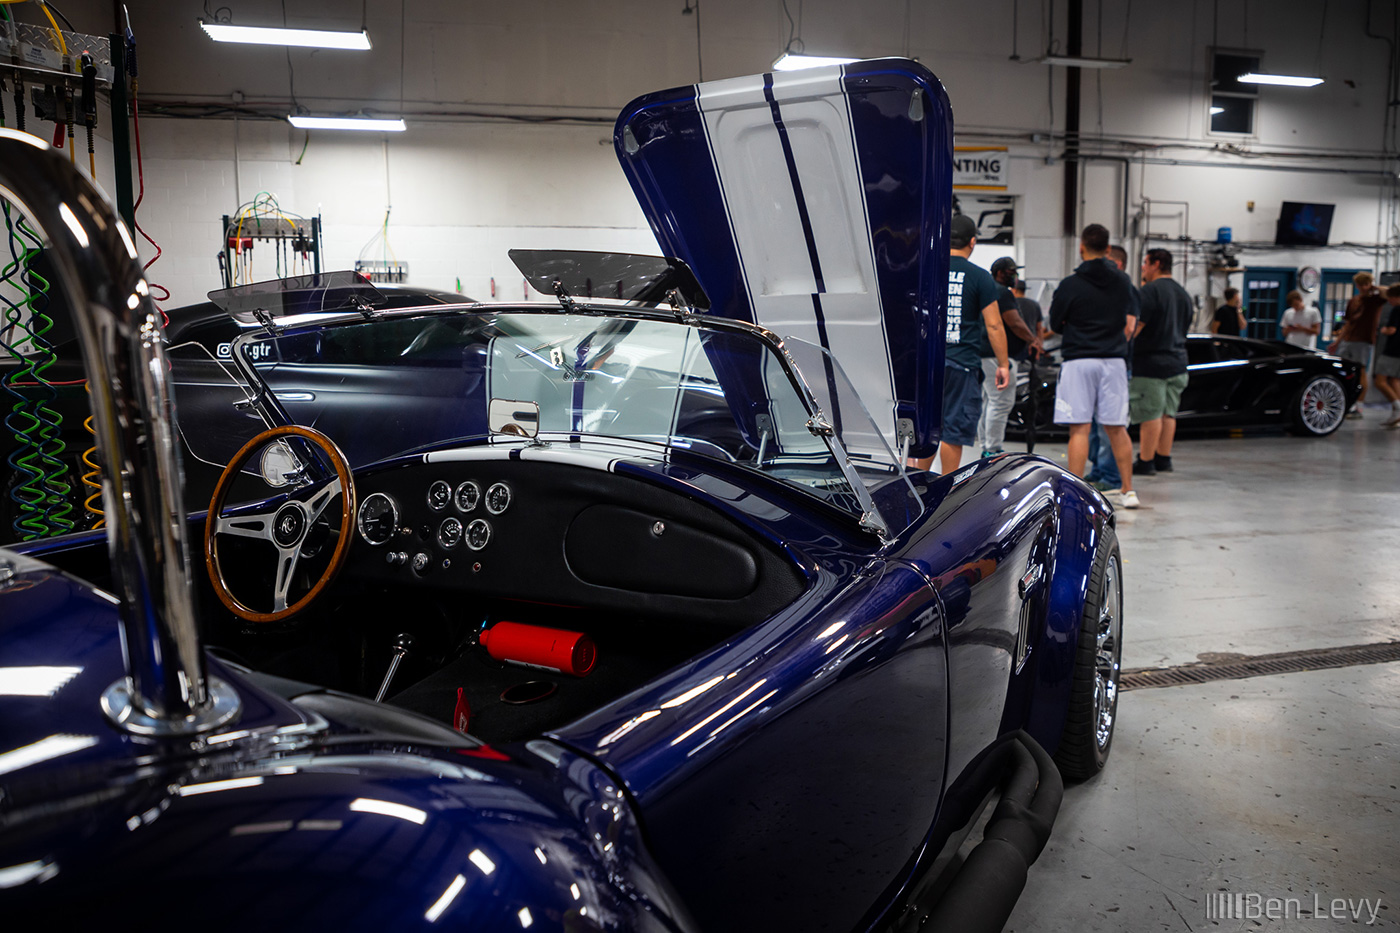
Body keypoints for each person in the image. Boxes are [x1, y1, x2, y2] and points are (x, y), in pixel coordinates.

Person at [1048, 223, 1139, 508]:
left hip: (1079, 360)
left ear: (1081, 247)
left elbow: (1054, 323)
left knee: (1080, 428)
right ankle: (1128, 490)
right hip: (1113, 360)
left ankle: (1076, 494)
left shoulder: (1070, 284)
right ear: (1108, 249)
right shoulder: (1124, 281)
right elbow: (1131, 321)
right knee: (1116, 427)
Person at [911, 214, 1009, 474]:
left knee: (925, 430)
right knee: (952, 433)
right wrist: (1003, 364)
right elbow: (994, 325)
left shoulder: (926, 272)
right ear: (973, 242)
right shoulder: (980, 278)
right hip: (962, 365)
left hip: (927, 364)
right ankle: (945, 494)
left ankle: (917, 487)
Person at [1130, 249, 1192, 475]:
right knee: (1168, 413)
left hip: (1151, 365)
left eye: (1145, 263)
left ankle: (1145, 462)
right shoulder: (1183, 293)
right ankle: (1163, 458)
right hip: (1178, 362)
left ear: (1156, 264)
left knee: (1151, 414)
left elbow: (1136, 327)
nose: (1143, 268)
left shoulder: (1150, 291)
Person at [1083, 244, 1139, 490]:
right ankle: (1098, 470)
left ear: (1116, 264)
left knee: (1110, 427)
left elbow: (1129, 328)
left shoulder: (1127, 289)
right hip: (1099, 362)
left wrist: (1105, 344)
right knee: (1094, 427)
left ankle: (1112, 478)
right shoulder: (1105, 291)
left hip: (1114, 364)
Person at [978, 257, 1041, 457]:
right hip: (997, 356)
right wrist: (1032, 340)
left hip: (982, 354)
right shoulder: (1002, 292)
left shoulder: (986, 287)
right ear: (1000, 272)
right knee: (1000, 401)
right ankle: (992, 449)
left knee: (988, 401)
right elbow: (1013, 322)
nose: (1014, 276)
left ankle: (986, 446)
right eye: (1011, 272)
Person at [1335, 272, 1385, 418]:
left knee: (1360, 371)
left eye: (1366, 284)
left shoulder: (1375, 300)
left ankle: (1359, 406)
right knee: (1343, 371)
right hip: (1348, 340)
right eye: (1360, 285)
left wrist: (1373, 287)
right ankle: (1344, 401)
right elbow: (1348, 323)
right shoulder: (1354, 300)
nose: (1363, 288)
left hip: (1363, 341)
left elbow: (1389, 292)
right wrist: (1337, 342)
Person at [1373, 284, 1400, 427]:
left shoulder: (1396, 310)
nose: (1388, 301)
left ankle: (1397, 407)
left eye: (1390, 298)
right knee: (1395, 380)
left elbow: (1391, 330)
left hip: (1392, 350)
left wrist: (1383, 330)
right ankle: (1397, 414)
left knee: (1380, 381)